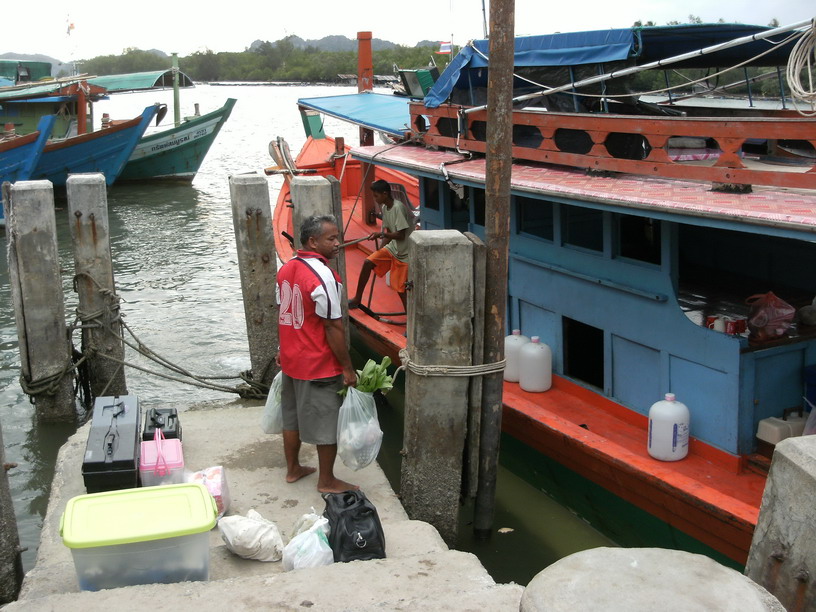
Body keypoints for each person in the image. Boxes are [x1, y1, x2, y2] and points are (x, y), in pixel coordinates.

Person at [276, 214, 358, 493]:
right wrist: (347, 368)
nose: (338, 244)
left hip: (291, 360)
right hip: (317, 363)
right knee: (327, 423)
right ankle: (327, 480)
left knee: (292, 418)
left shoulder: (287, 268)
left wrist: (281, 349)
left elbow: (283, 312)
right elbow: (333, 326)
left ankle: (293, 469)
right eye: (331, 239)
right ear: (313, 241)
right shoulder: (323, 274)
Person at [348, 179, 414, 312]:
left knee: (400, 288)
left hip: (405, 253)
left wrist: (380, 235)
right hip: (393, 248)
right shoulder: (385, 207)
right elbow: (389, 231)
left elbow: (400, 235)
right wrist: (380, 250)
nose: (375, 198)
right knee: (368, 262)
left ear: (385, 194)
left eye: (376, 196)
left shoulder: (398, 208)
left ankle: (410, 321)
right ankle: (357, 298)